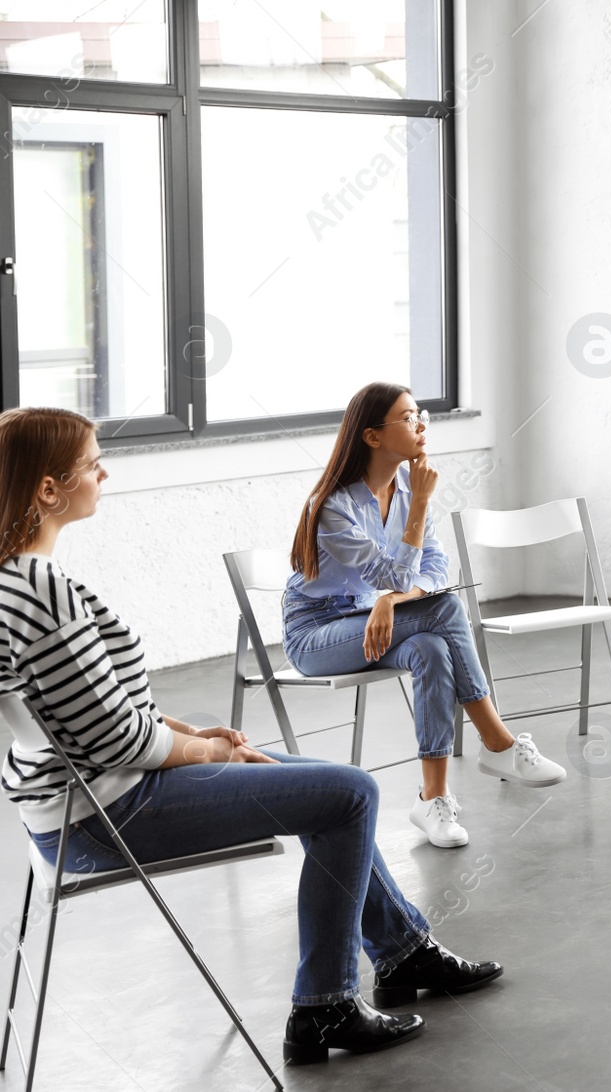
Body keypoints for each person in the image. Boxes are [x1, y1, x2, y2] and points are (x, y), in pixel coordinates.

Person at [0, 407, 502, 1065]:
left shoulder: (17, 580)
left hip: (82, 805)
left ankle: (404, 951)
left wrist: (181, 731)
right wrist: (206, 751)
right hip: (108, 814)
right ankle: (324, 1009)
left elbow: (87, 714)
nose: (104, 471)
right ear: (47, 489)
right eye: (93, 462)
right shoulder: (42, 590)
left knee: (318, 782)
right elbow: (116, 742)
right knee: (347, 795)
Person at [284, 383, 565, 848]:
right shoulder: (333, 506)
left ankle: (432, 799)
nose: (421, 426)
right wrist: (418, 509)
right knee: (448, 609)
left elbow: (434, 566)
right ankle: (497, 742)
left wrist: (390, 601)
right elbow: (392, 572)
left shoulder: (410, 486)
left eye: (422, 417)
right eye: (409, 418)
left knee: (432, 646)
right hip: (316, 633)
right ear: (373, 437)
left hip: (374, 618)